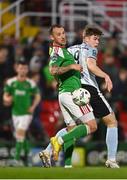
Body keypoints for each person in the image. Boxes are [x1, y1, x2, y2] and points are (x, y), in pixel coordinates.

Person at [39, 24, 97, 168]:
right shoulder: (57, 51)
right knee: (91, 126)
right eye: (58, 34)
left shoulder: (61, 51)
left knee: (72, 129)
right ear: (52, 37)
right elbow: (52, 70)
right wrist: (71, 67)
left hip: (64, 94)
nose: (63, 36)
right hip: (73, 94)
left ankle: (67, 166)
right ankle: (58, 141)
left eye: (63, 33)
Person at [67, 25, 119, 168]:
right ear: (86, 38)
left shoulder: (70, 50)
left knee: (74, 125)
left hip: (73, 89)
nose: (97, 42)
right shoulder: (90, 49)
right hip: (88, 88)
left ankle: (50, 148)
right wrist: (106, 75)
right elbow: (90, 65)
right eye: (95, 39)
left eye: (98, 39)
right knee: (111, 121)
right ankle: (111, 159)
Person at [3, 60, 41, 166]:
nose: (23, 70)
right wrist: (7, 99)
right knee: (20, 137)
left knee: (20, 133)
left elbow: (38, 96)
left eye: (24, 68)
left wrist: (33, 107)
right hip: (15, 113)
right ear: (17, 69)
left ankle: (16, 159)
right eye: (21, 68)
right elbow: (5, 95)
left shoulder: (30, 83)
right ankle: (28, 157)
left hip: (26, 113)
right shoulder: (11, 82)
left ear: (27, 70)